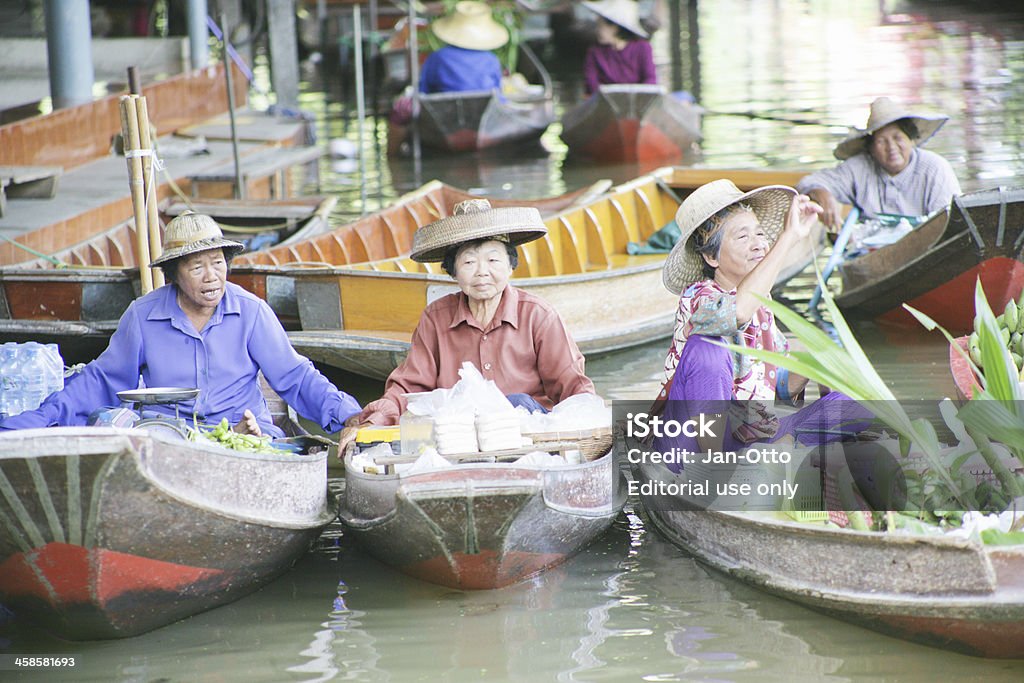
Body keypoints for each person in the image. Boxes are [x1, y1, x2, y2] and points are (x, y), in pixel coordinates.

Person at [0, 212, 361, 438]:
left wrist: (352, 417)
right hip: (165, 435)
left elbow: (296, 378)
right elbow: (101, 381)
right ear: (173, 275)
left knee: (256, 438)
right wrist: (33, 421)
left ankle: (241, 435)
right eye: (197, 266)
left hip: (246, 430)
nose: (212, 277)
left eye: (218, 263)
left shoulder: (251, 312)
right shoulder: (143, 316)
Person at [338, 198, 595, 451]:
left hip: (526, 438)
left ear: (510, 266)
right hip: (455, 438)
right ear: (453, 272)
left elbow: (574, 388)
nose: (482, 271)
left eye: (493, 260)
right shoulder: (435, 318)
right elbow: (408, 389)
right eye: (469, 262)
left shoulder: (538, 315)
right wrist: (373, 421)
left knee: (516, 402)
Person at [655, 180, 872, 458]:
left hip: (748, 442)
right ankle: (719, 466)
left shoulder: (761, 305)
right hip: (690, 447)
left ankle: (781, 451)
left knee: (858, 401)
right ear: (711, 256)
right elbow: (736, 313)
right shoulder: (698, 297)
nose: (759, 245)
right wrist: (789, 237)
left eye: (759, 234)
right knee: (708, 349)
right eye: (743, 237)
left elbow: (770, 384)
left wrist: (815, 365)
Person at [796, 97, 962, 230]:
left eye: (898, 138)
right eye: (882, 141)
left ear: (911, 140)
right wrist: (821, 193)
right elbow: (807, 182)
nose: (891, 148)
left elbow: (950, 220)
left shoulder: (935, 168)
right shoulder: (860, 168)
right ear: (872, 149)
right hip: (873, 252)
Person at [388, 1, 509, 153]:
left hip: (444, 112)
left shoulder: (438, 57)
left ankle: (391, 157)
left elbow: (423, 90)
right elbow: (499, 93)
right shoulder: (492, 59)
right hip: (481, 108)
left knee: (400, 110)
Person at [581, 0, 657, 96]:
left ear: (616, 27)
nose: (597, 30)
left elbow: (650, 80)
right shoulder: (594, 52)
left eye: (600, 26)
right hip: (605, 103)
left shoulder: (643, 48)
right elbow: (591, 85)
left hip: (638, 103)